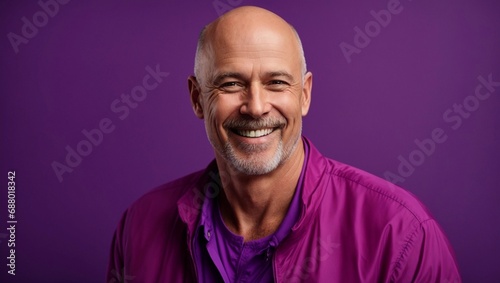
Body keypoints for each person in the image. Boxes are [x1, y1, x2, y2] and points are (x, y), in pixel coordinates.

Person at [107, 6, 461, 283]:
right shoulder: (138, 228)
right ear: (198, 99)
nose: (256, 106)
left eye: (276, 82)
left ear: (304, 95)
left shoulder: (401, 236)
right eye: (231, 84)